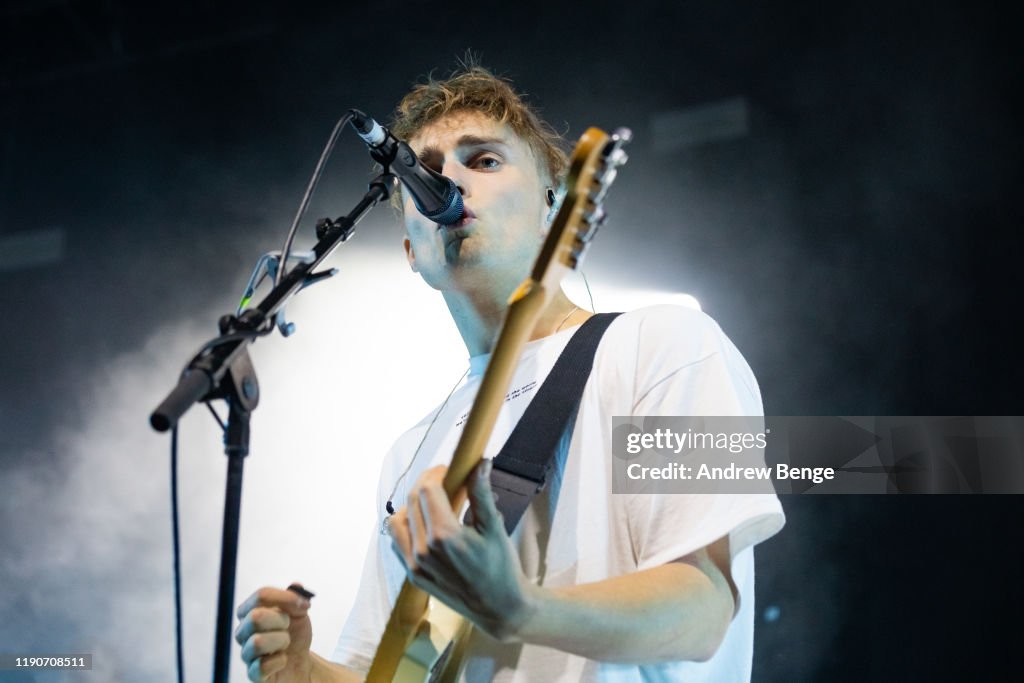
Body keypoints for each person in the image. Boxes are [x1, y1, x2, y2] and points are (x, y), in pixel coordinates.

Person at [235, 64, 785, 683]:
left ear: (555, 206)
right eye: (430, 166)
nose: (446, 181)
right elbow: (401, 670)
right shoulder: (411, 453)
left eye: (486, 161)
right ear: (410, 249)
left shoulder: (668, 344)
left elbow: (705, 609)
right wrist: (306, 671)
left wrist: (522, 609)